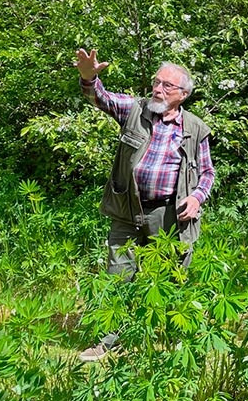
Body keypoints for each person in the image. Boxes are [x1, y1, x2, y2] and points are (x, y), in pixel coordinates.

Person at [74, 48, 215, 361]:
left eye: (166, 85)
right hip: (127, 210)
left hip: (168, 215)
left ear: (183, 94)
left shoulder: (195, 129)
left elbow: (206, 173)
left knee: (172, 277)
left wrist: (196, 197)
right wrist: (89, 76)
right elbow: (103, 98)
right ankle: (108, 342)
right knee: (117, 275)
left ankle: (173, 339)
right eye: (156, 82)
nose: (157, 89)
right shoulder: (135, 110)